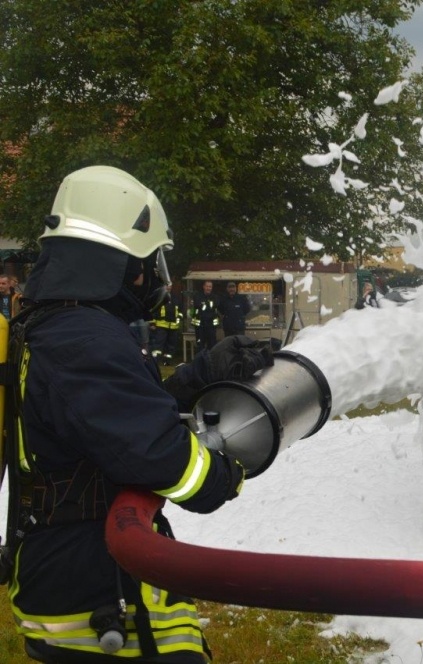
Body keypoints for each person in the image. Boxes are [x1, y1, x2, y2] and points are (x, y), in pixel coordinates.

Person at [3, 165, 273, 663]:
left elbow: (113, 422)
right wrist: (224, 472)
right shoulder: (84, 340)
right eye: (146, 264)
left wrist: (198, 377)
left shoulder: (58, 327)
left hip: (72, 565)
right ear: (118, 264)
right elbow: (154, 455)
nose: (152, 279)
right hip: (101, 595)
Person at [150, 292, 183, 366]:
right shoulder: (159, 297)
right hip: (161, 325)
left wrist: (179, 318)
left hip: (173, 326)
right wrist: (152, 323)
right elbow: (153, 310)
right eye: (167, 285)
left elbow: (181, 310)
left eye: (170, 285)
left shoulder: (175, 298)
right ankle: (155, 361)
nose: (168, 287)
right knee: (158, 344)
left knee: (171, 346)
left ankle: (167, 362)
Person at [190, 280, 220, 351]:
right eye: (207, 286)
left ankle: (210, 361)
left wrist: (204, 304)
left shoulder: (215, 297)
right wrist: (208, 305)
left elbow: (216, 304)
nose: (208, 288)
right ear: (203, 287)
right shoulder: (197, 296)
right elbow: (197, 304)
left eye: (210, 287)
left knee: (212, 345)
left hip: (211, 326)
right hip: (200, 326)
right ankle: (200, 360)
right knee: (200, 345)